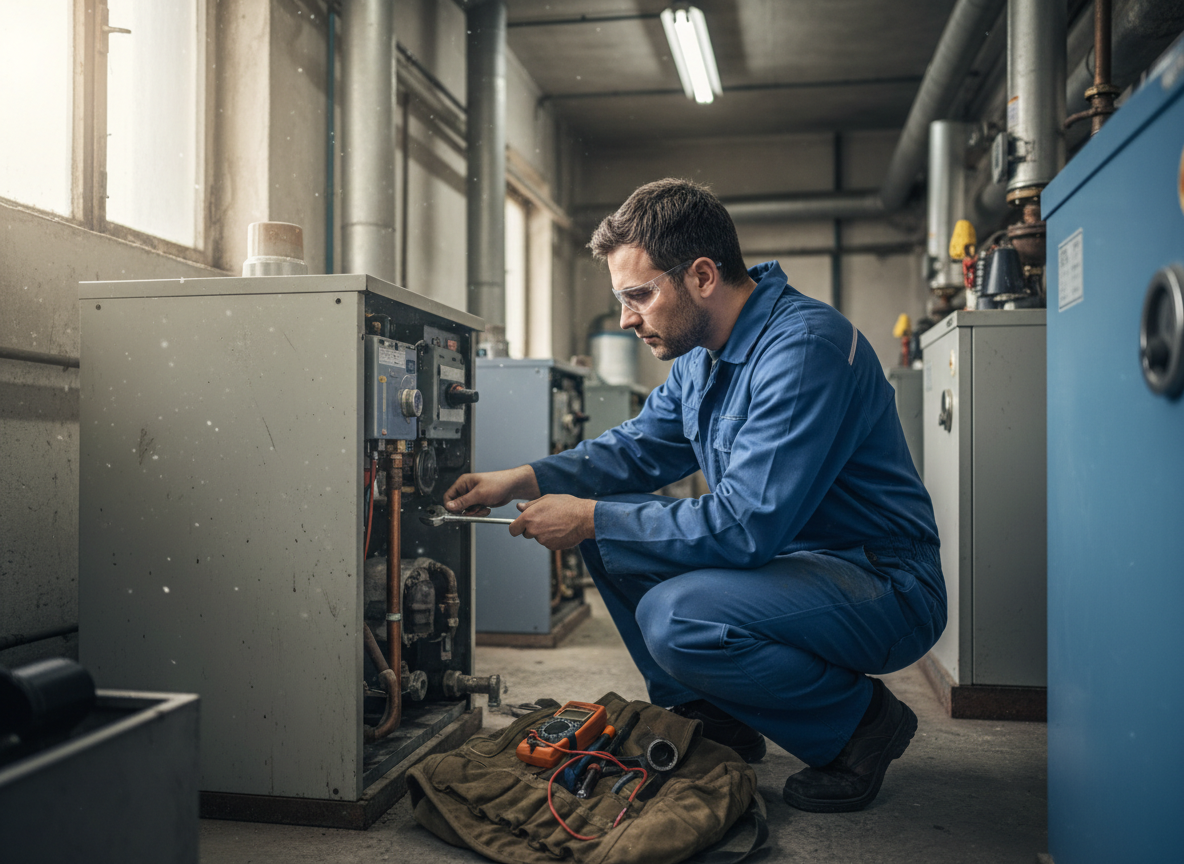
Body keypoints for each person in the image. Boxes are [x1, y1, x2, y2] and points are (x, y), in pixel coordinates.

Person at [444, 178, 945, 813]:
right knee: (613, 544)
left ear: (703, 276)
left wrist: (593, 516)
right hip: (793, 565)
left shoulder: (802, 350)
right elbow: (636, 449)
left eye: (639, 296)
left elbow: (746, 527)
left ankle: (861, 724)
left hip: (881, 580)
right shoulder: (699, 356)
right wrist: (521, 478)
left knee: (675, 616)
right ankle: (716, 715)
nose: (627, 319)